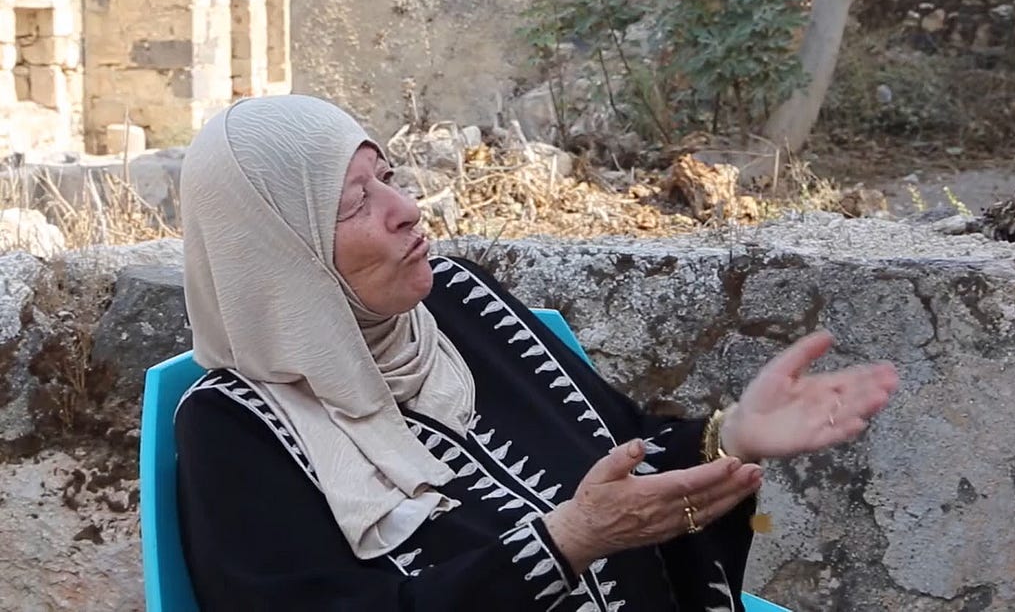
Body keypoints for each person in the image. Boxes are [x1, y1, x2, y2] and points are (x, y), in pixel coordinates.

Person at [175, 94, 899, 612]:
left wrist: (731, 434)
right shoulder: (236, 427)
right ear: (277, 256)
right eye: (354, 202)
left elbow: (624, 452)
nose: (406, 209)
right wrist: (561, 543)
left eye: (388, 176)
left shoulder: (459, 303)